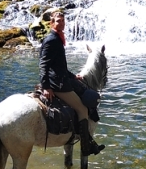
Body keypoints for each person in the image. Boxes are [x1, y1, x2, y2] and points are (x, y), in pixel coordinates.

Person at [39, 11, 105, 155]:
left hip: (61, 79)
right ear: (51, 23)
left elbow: (59, 66)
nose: (61, 23)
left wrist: (73, 76)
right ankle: (86, 147)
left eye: (62, 20)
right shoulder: (52, 40)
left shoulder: (57, 38)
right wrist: (46, 87)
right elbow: (43, 64)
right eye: (58, 21)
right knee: (82, 109)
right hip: (58, 85)